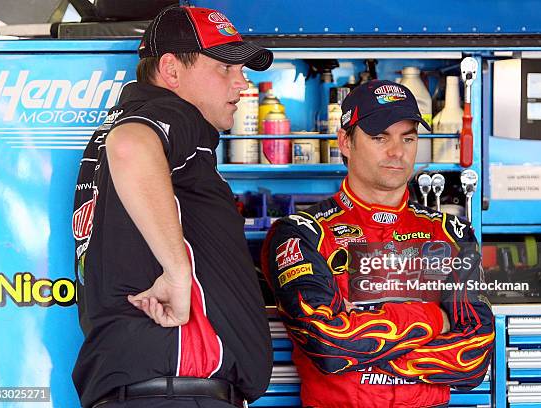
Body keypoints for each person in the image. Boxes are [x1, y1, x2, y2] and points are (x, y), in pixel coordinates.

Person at [72, 5, 274, 408]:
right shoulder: (171, 113)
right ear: (171, 70)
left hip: (151, 391)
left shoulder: (133, 124)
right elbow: (131, 146)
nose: (242, 84)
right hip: (176, 391)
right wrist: (177, 273)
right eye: (224, 69)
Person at [262, 80, 494, 408]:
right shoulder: (302, 233)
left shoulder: (451, 233)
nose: (397, 152)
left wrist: (365, 351)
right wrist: (434, 318)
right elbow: (328, 347)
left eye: (408, 138)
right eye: (379, 137)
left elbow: (473, 358)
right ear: (345, 141)